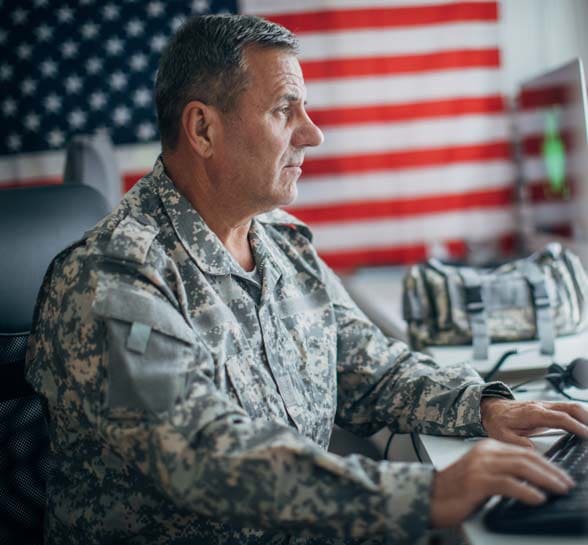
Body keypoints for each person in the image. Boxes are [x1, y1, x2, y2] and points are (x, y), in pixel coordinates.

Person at [26, 14, 588, 545]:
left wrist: (480, 405)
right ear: (202, 128)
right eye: (284, 110)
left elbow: (368, 365)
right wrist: (428, 491)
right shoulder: (111, 278)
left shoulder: (279, 240)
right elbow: (202, 455)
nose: (312, 134)